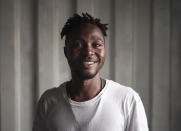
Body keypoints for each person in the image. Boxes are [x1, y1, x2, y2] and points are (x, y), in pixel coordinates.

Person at [33, 13, 149, 131]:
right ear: (66, 52)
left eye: (96, 45)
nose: (88, 52)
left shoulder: (127, 99)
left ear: (104, 50)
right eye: (78, 45)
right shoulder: (48, 101)